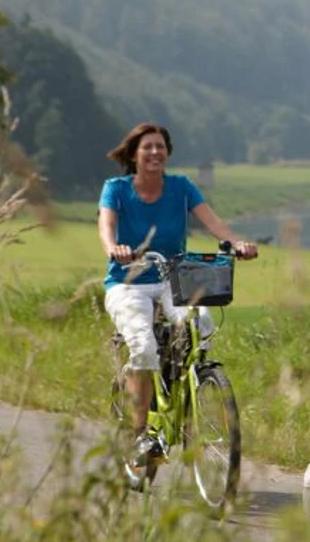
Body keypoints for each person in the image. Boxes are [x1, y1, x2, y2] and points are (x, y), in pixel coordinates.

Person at [97, 122, 257, 470]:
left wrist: (235, 244)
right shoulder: (116, 189)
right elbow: (106, 225)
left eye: (160, 147)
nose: (155, 152)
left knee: (202, 323)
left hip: (173, 278)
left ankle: (189, 392)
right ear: (134, 154)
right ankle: (140, 434)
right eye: (147, 147)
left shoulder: (181, 187)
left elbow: (213, 223)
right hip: (128, 281)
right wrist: (115, 248)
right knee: (142, 347)